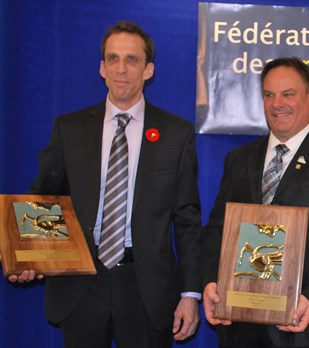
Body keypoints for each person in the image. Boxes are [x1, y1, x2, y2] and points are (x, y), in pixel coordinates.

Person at [21, 21, 203, 347]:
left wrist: (190, 293)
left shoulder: (176, 134)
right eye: (113, 59)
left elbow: (187, 220)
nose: (122, 69)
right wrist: (31, 257)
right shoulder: (70, 129)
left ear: (148, 70)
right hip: (81, 284)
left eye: (132, 60)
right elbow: (44, 200)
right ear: (102, 67)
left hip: (147, 289)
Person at [202, 57, 309, 348]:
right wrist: (210, 281)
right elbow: (218, 229)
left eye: (288, 94)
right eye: (269, 95)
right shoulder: (239, 160)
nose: (276, 104)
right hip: (241, 329)